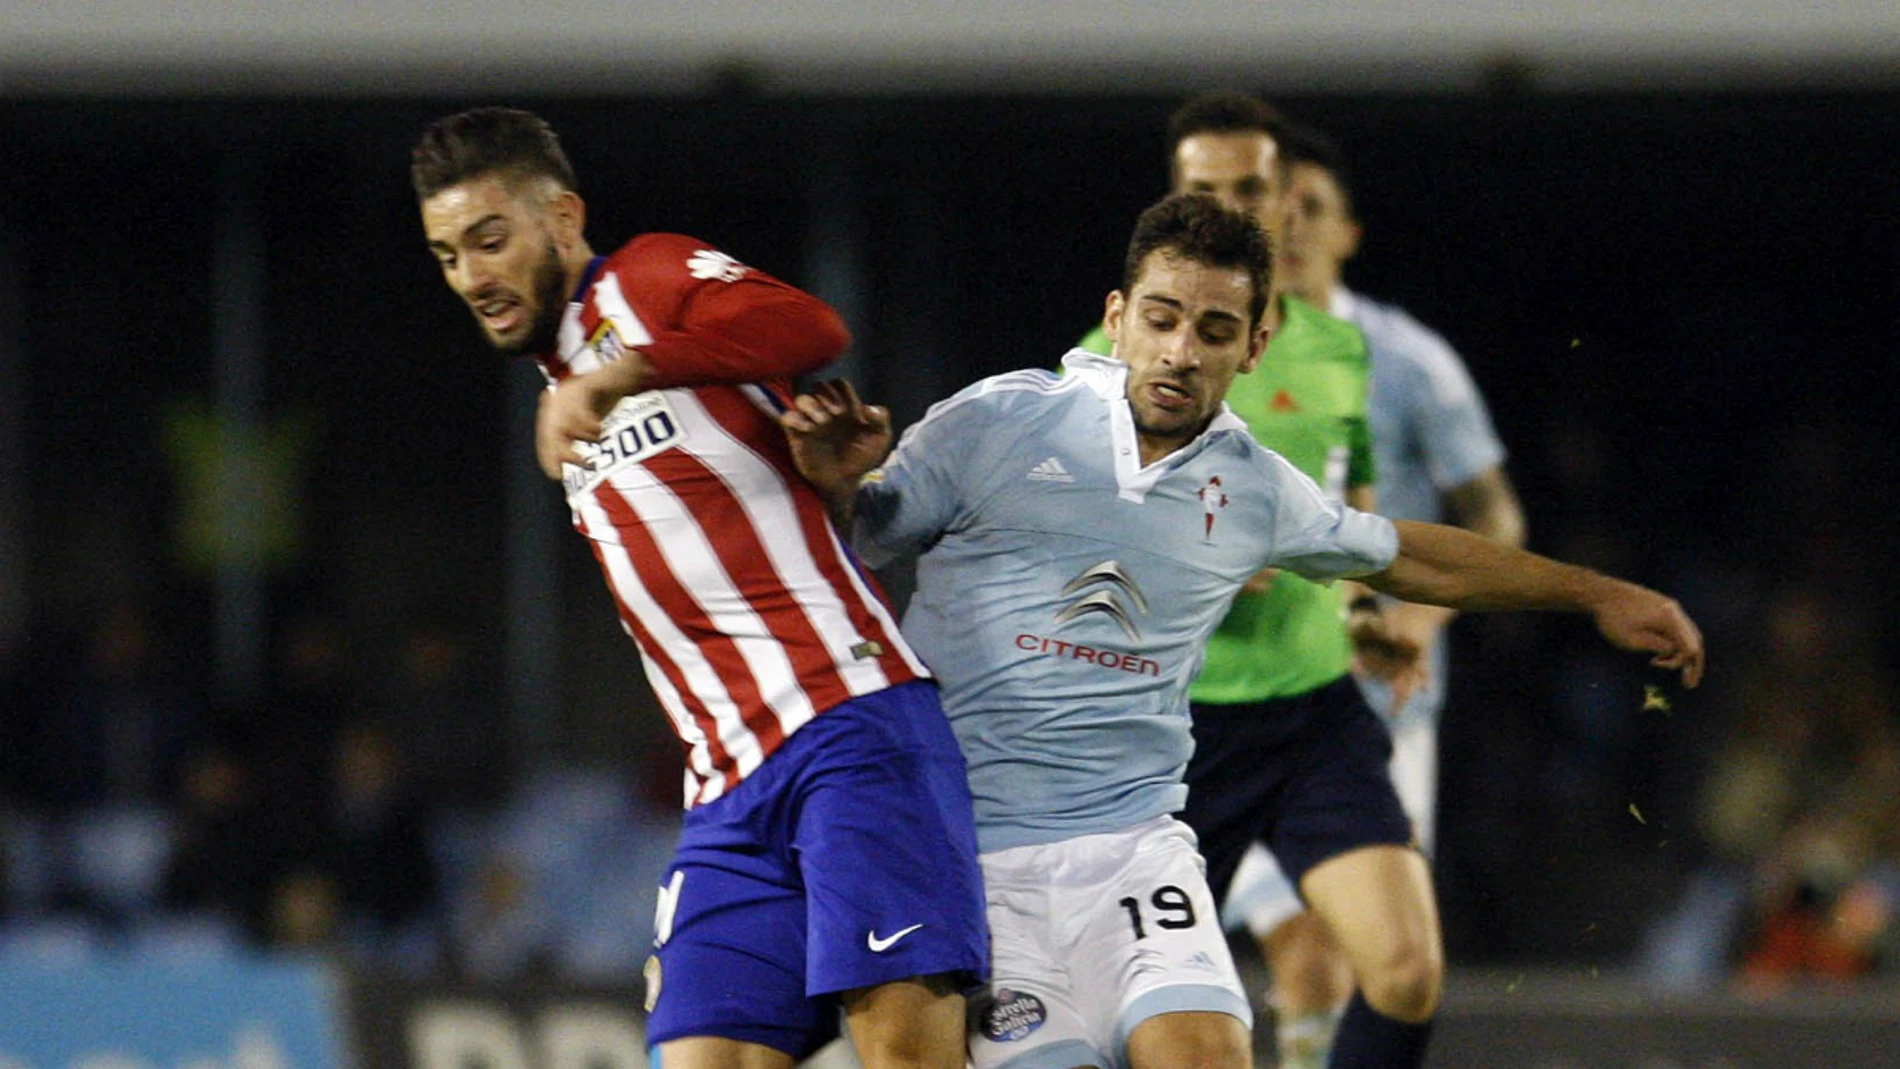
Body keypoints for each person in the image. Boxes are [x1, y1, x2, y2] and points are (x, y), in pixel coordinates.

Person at [779, 192, 1703, 1069]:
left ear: (1254, 346)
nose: (1181, 351)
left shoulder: (1256, 486)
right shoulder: (999, 421)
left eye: (1215, 330)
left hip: (1133, 845)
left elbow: (1410, 557)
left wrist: (1593, 593)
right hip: (971, 851)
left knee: (1210, 1051)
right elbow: (856, 540)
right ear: (1117, 316)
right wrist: (831, 481)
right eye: (1162, 318)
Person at [410, 106, 986, 1069]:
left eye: (490, 239)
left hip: (851, 728)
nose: (471, 275)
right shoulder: (559, 391)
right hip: (726, 791)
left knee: (907, 1055)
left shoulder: (642, 282)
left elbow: (811, 326)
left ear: (563, 218)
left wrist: (622, 375)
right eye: (447, 256)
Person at [1076, 90, 1436, 1068]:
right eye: (1207, 189)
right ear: (1173, 196)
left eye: (1252, 188)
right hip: (1173, 734)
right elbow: (1057, 537)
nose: (1233, 207)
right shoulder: (1107, 363)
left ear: (1285, 198)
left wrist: (1362, 609)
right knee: (1133, 1026)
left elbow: (1346, 494)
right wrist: (1180, 563)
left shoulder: (1336, 348)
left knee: (1404, 972)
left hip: (1314, 715)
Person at [1215, 119, 1532, 1067]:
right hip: (1229, 701)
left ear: (1349, 231)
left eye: (1313, 208)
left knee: (1366, 960)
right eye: (1277, 204)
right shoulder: (1209, 340)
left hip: (1377, 709)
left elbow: (1495, 516)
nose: (1291, 225)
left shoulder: (1409, 360)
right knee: (1302, 949)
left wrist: (1418, 620)